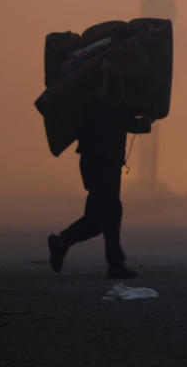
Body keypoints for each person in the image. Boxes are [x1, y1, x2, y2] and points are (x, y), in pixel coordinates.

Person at [47, 60, 153, 278]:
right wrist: (147, 120)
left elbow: (127, 122)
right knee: (111, 212)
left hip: (97, 166)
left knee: (98, 218)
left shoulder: (94, 104)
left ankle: (62, 242)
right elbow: (130, 124)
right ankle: (114, 264)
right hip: (103, 166)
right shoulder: (105, 106)